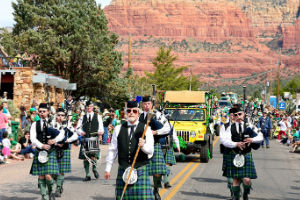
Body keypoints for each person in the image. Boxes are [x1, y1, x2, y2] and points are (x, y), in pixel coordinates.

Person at [104, 100, 154, 200]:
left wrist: (143, 146)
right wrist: (108, 168)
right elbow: (113, 150)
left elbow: (151, 151)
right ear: (126, 113)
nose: (131, 113)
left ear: (138, 113)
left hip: (140, 171)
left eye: (134, 111)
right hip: (123, 171)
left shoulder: (145, 128)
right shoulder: (118, 129)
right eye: (129, 111)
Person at [220, 105, 263, 200]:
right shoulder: (227, 127)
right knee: (235, 180)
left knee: (247, 180)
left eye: (240, 114)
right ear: (233, 116)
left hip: (246, 154)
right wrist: (236, 144)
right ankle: (236, 197)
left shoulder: (250, 126)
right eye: (235, 115)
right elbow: (224, 140)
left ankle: (246, 194)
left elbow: (260, 136)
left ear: (243, 114)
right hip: (234, 154)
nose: (238, 116)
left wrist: (252, 139)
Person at [30, 103, 65, 200]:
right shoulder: (34, 124)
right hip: (40, 152)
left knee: (48, 176)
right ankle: (44, 196)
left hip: (51, 152)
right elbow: (33, 138)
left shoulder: (53, 123)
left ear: (48, 112)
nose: (42, 113)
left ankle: (50, 192)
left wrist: (55, 140)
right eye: (40, 111)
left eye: (44, 111)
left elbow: (62, 134)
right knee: (41, 176)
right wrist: (42, 145)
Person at [140, 96, 171, 200]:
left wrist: (156, 132)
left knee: (157, 172)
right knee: (141, 170)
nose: (146, 106)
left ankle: (156, 190)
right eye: (144, 104)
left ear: (151, 104)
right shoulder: (139, 116)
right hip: (141, 146)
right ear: (142, 105)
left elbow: (168, 128)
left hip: (155, 145)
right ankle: (143, 191)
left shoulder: (158, 115)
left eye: (148, 104)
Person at [52, 108, 78, 197]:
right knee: (53, 171)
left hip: (64, 149)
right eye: (58, 115)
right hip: (53, 149)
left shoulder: (68, 125)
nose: (60, 117)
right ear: (56, 115)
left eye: (62, 115)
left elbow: (75, 136)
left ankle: (58, 188)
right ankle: (59, 183)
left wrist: (67, 140)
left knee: (61, 171)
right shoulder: (51, 124)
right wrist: (55, 142)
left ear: (65, 117)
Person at [77, 101, 104, 181]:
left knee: (93, 157)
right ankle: (87, 175)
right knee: (85, 157)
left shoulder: (98, 116)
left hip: (94, 138)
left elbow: (101, 127)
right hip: (85, 138)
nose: (89, 108)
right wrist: (80, 132)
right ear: (86, 107)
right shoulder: (83, 116)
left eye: (90, 106)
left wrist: (100, 134)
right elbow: (78, 128)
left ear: (93, 107)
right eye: (87, 106)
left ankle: (94, 169)